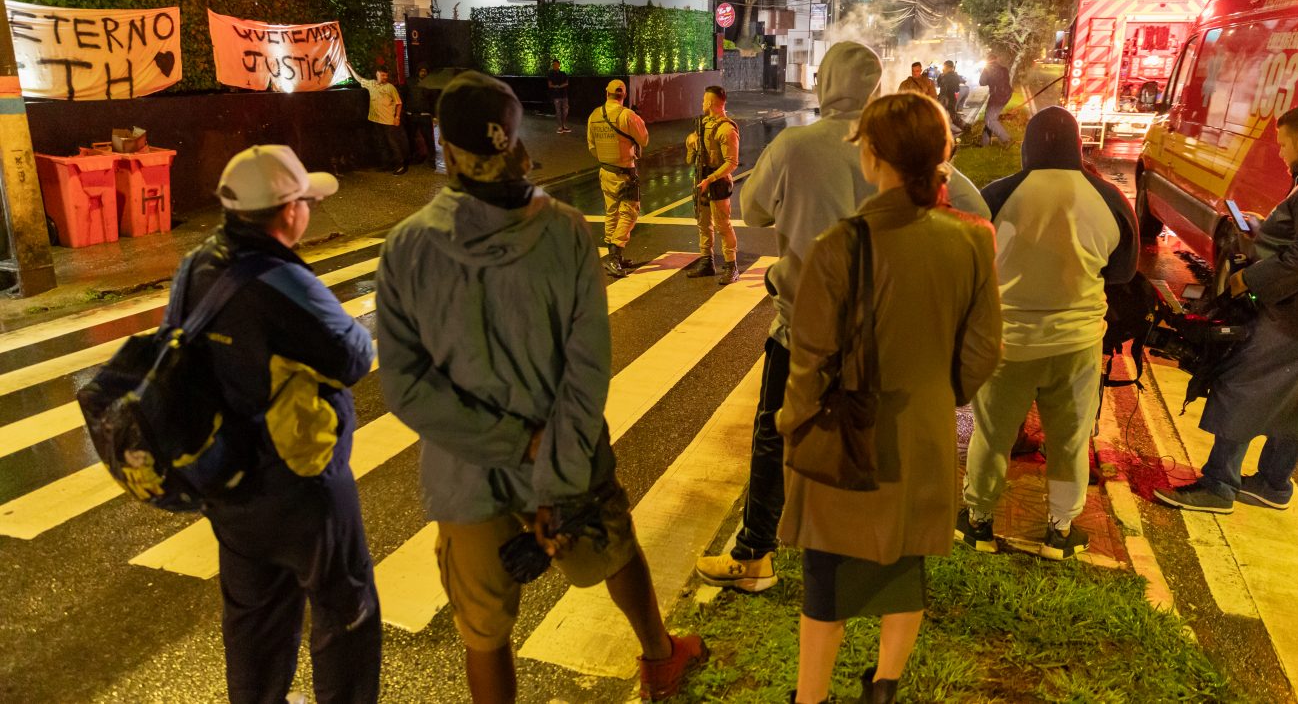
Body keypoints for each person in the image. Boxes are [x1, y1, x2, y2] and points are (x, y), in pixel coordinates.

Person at [375, 72, 705, 703]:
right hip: (569, 455)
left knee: (484, 632)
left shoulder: (410, 246)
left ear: (445, 146)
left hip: (465, 474)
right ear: (517, 138)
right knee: (615, 550)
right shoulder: (561, 232)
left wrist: (512, 444)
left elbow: (406, 389)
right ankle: (661, 657)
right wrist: (548, 464)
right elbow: (587, 369)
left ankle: (660, 654)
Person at [695, 41, 991, 594]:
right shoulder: (894, 146)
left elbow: (753, 208)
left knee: (776, 434)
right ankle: (874, 550)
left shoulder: (795, 145)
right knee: (872, 433)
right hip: (882, 329)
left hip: (803, 328)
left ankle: (754, 554)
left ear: (825, 82)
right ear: (875, 86)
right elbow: (974, 208)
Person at [780, 93, 1002, 704]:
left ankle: (811, 697)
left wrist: (792, 421)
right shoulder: (971, 239)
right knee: (905, 567)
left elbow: (810, 361)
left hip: (847, 436)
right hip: (925, 434)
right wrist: (938, 395)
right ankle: (883, 689)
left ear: (873, 157)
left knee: (826, 577)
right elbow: (984, 352)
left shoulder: (839, 245)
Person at [194, 145, 381, 703]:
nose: (310, 210)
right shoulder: (282, 281)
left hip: (228, 477)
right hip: (300, 483)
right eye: (306, 202)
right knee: (345, 612)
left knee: (254, 619)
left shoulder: (199, 264)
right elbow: (354, 357)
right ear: (287, 211)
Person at [958, 106, 1138, 560]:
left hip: (1010, 342)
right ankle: (1060, 530)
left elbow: (971, 264)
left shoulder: (997, 195)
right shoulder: (1110, 197)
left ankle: (978, 522)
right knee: (1069, 439)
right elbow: (1122, 273)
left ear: (1027, 146)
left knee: (993, 435)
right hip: (1077, 343)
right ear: (1078, 147)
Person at [1155, 105, 1298, 514]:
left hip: (1287, 317)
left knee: (1242, 384)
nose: (1280, 151)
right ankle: (1274, 483)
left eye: (1285, 142)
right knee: (1293, 398)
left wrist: (1245, 281)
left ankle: (1219, 485)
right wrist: (1265, 228)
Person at [587, 79, 648, 278]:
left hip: (605, 171)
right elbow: (644, 140)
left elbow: (592, 147)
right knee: (630, 213)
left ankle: (613, 256)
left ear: (607, 93)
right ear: (624, 96)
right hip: (625, 173)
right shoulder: (627, 116)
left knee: (611, 211)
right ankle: (615, 254)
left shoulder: (594, 115)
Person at [685, 85, 741, 284]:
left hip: (716, 183)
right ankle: (706, 261)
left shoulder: (726, 129)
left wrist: (711, 179)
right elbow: (691, 159)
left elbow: (732, 162)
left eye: (703, 100)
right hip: (702, 179)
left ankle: (731, 266)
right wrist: (691, 144)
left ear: (709, 103)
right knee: (703, 224)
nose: (702, 104)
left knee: (722, 226)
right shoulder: (704, 125)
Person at [351, 63, 406, 174]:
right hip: (376, 120)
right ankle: (386, 164)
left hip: (388, 121)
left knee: (392, 144)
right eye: (382, 75)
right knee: (382, 143)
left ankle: (400, 165)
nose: (385, 78)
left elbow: (399, 103)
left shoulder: (390, 87)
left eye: (386, 75)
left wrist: (397, 117)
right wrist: (350, 68)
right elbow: (359, 79)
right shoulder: (371, 84)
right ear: (377, 74)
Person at [406, 64, 438, 167]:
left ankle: (432, 159)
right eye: (421, 71)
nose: (423, 73)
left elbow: (434, 101)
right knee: (411, 137)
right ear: (418, 71)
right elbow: (404, 95)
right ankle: (415, 157)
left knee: (428, 138)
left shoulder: (431, 84)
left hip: (425, 115)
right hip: (411, 114)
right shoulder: (410, 82)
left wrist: (435, 116)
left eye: (425, 71)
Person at [979, 52, 1013, 147]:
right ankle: (984, 143)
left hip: (997, 96)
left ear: (987, 61)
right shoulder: (1003, 69)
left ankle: (1006, 139)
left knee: (990, 120)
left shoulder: (987, 69)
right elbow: (1005, 81)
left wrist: (985, 71)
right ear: (996, 59)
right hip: (1006, 94)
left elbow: (982, 82)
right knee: (990, 117)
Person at [937, 60, 965, 136]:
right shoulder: (943, 75)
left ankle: (965, 128)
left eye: (945, 67)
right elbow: (938, 84)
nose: (944, 69)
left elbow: (956, 89)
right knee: (943, 116)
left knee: (952, 116)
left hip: (949, 98)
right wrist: (943, 75)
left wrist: (950, 78)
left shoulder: (953, 76)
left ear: (950, 68)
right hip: (943, 98)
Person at [547, 58, 571, 134]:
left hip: (564, 95)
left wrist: (559, 86)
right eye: (553, 64)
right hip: (556, 95)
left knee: (565, 110)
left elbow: (567, 83)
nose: (555, 66)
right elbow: (550, 85)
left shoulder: (563, 73)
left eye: (556, 64)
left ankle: (563, 125)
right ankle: (560, 126)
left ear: (559, 65)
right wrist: (557, 86)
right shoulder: (550, 74)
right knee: (558, 111)